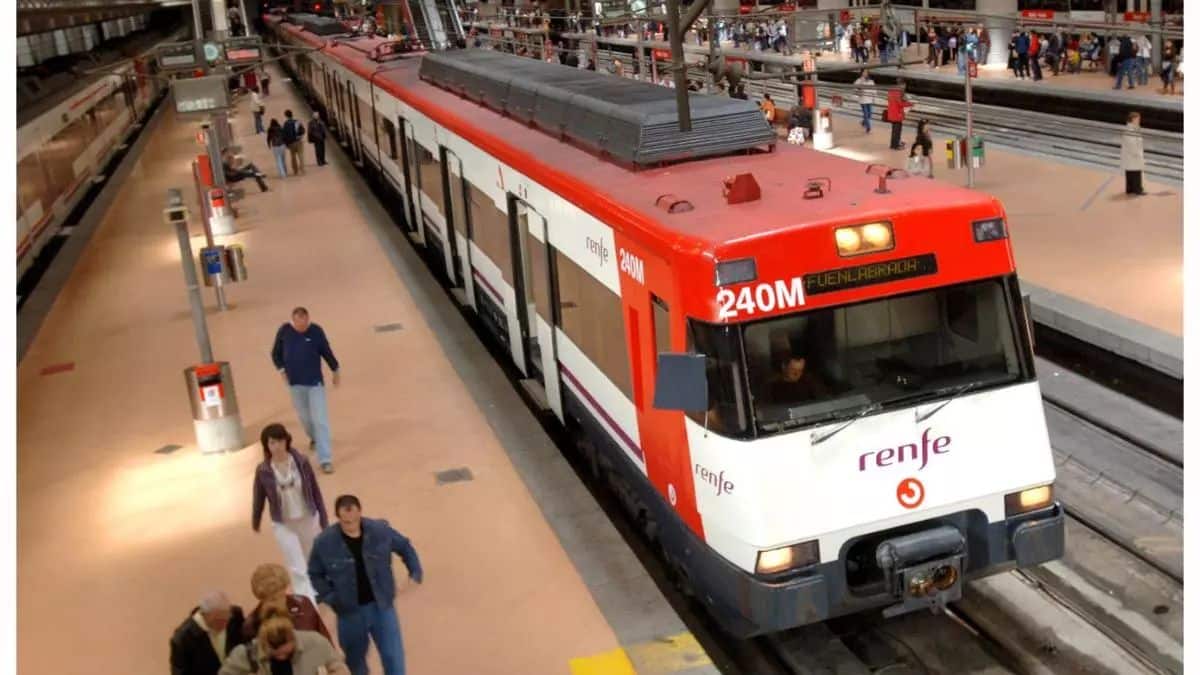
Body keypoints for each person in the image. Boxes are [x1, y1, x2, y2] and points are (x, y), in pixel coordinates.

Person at [309, 495, 423, 675]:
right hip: (349, 613)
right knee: (355, 663)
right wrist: (331, 598)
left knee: (394, 658)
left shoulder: (380, 531)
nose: (351, 526)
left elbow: (404, 546)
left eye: (355, 520)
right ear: (338, 518)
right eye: (346, 522)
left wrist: (415, 573)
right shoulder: (324, 542)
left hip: (382, 607)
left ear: (360, 513)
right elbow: (315, 573)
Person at [253, 423, 330, 599]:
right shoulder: (263, 470)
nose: (277, 446)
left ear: (287, 441)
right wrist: (256, 519)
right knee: (296, 564)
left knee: (311, 557)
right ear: (266, 446)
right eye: (272, 443)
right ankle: (306, 599)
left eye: (280, 441)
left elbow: (315, 491)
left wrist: (323, 517)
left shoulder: (302, 462)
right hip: (283, 524)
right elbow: (258, 496)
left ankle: (317, 588)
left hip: (307, 518)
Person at [271, 307, 340, 473]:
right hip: (295, 384)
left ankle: (325, 459)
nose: (302, 327)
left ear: (308, 319)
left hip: (315, 383)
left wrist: (335, 369)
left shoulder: (316, 331)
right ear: (293, 321)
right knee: (305, 417)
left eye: (304, 323)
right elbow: (275, 354)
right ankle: (314, 438)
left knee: (320, 420)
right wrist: (282, 371)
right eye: (298, 324)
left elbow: (326, 351)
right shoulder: (284, 332)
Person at [221, 600, 350, 675]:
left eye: (287, 653)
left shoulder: (316, 643)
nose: (281, 657)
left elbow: (340, 669)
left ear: (293, 636)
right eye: (275, 654)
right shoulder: (244, 655)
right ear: (262, 642)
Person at [244, 563, 333, 643]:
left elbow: (324, 638)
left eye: (278, 593)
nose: (275, 601)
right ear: (260, 596)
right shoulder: (252, 624)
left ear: (285, 587)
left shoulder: (303, 603)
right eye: (269, 598)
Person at [169, 591, 248, 675]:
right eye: (219, 620)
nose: (225, 625)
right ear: (205, 615)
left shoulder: (235, 617)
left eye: (227, 618)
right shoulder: (182, 639)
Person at [1121, 111, 1146, 196]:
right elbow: (1131, 143)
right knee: (1136, 172)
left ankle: (1130, 189)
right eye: (1138, 119)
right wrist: (1137, 153)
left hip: (1130, 155)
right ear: (1133, 119)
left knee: (1130, 172)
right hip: (1133, 155)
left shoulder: (1132, 128)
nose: (1139, 120)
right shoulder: (1131, 130)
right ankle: (1137, 190)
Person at [885, 81, 912, 150]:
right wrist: (910, 104)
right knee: (897, 131)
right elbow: (901, 104)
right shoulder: (898, 93)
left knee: (894, 130)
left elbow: (889, 100)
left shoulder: (891, 91)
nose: (904, 88)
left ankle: (894, 144)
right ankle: (895, 146)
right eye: (904, 86)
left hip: (892, 113)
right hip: (897, 114)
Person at [283, 110, 307, 175]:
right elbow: (303, 130)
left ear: (286, 116)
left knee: (293, 157)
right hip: (299, 141)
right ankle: (302, 169)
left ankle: (295, 170)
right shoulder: (297, 121)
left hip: (291, 143)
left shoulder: (286, 124)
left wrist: (286, 143)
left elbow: (284, 134)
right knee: (301, 156)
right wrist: (300, 136)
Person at [854, 69, 875, 133]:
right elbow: (855, 88)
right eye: (864, 72)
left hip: (869, 100)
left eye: (866, 72)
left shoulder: (871, 81)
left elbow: (874, 90)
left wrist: (873, 97)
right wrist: (861, 81)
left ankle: (863, 122)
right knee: (866, 114)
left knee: (869, 115)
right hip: (863, 100)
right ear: (862, 73)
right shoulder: (858, 80)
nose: (865, 73)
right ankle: (868, 127)